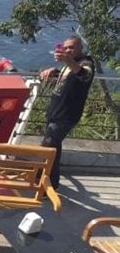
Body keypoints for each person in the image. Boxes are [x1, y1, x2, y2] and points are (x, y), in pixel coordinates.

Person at [37, 36, 95, 190]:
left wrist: (67, 60)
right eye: (66, 47)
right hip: (55, 113)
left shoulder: (86, 63)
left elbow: (84, 75)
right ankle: (51, 184)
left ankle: (39, 183)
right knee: (54, 150)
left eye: (72, 47)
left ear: (80, 48)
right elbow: (69, 77)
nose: (68, 50)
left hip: (66, 116)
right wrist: (54, 71)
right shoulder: (68, 64)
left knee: (46, 149)